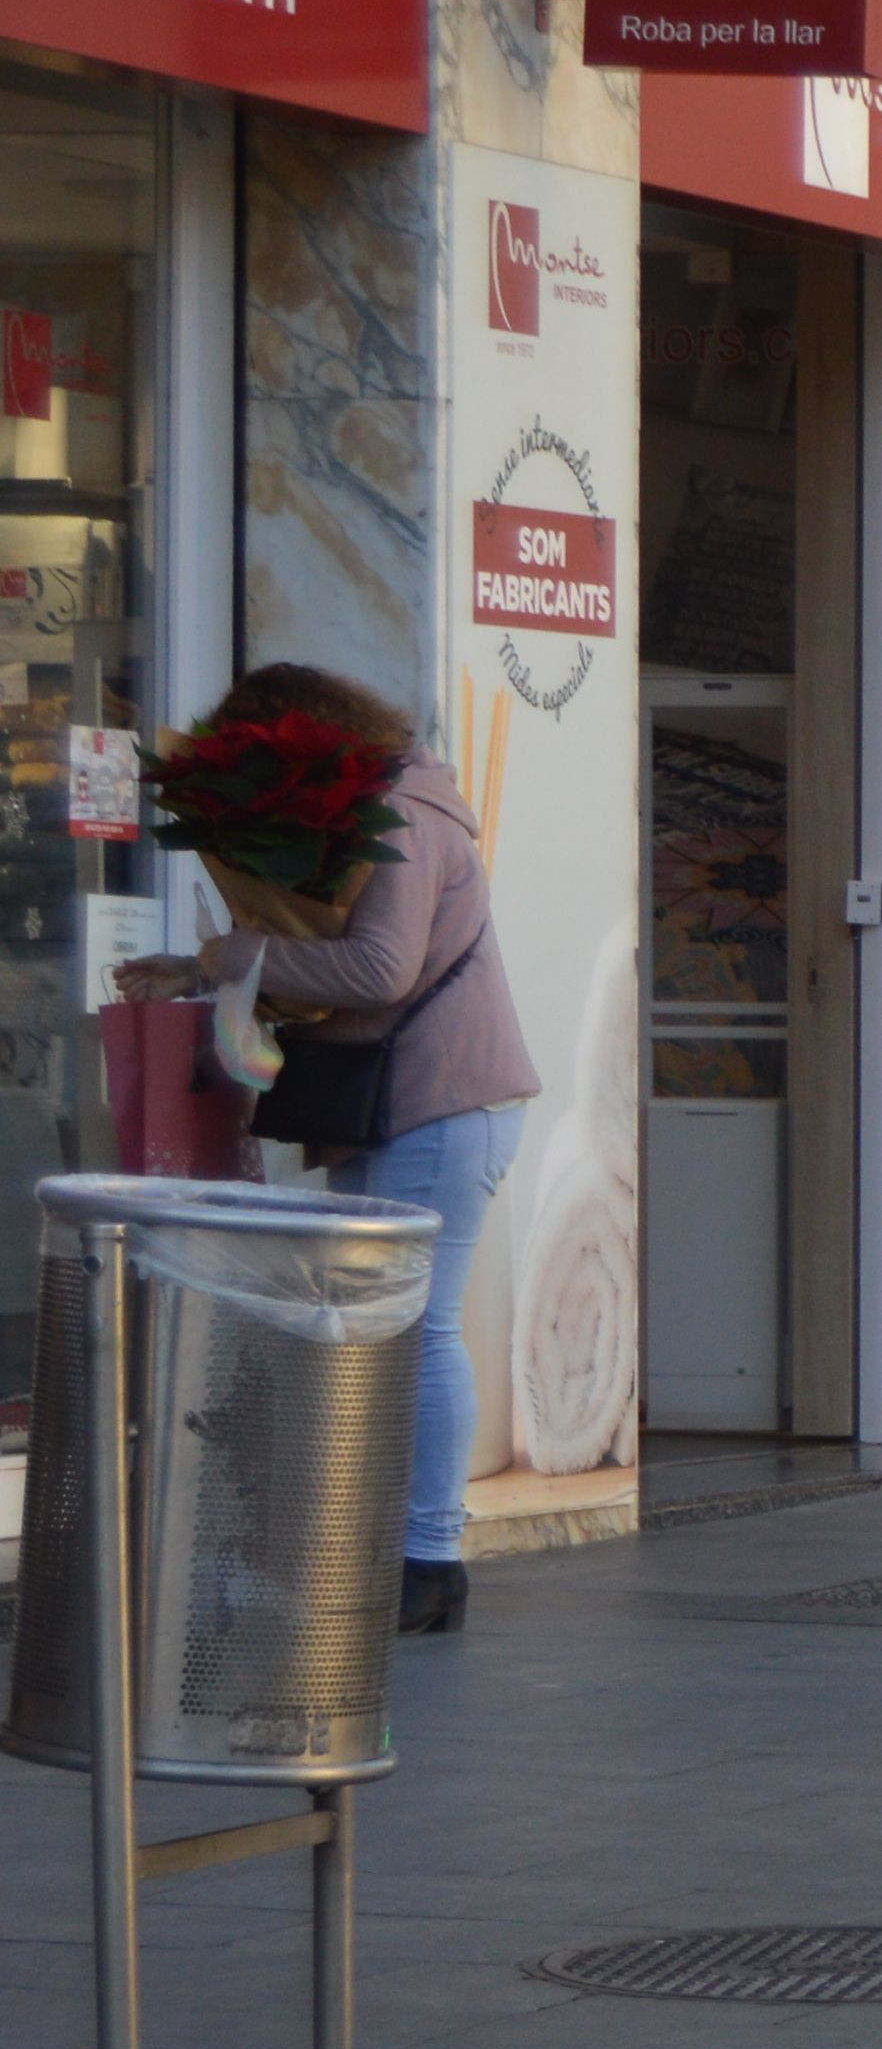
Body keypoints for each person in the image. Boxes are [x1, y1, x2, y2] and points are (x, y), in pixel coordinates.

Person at [120, 666, 537, 1635]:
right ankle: (391, 1548)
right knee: (378, 1328)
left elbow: (377, 968)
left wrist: (232, 954)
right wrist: (196, 966)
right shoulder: (384, 808)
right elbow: (337, 955)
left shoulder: (400, 814)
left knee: (412, 1328)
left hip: (435, 1098)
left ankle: (429, 1560)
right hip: (396, 1101)